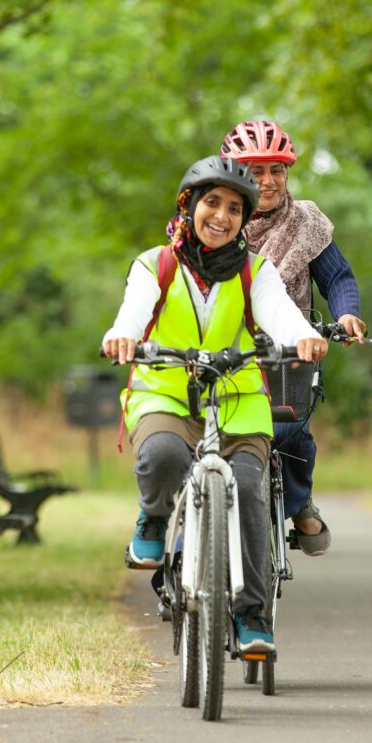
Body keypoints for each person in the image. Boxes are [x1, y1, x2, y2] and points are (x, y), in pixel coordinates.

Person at [102, 156, 328, 654]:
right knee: (163, 456)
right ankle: (154, 519)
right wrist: (122, 336)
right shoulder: (155, 264)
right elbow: (133, 312)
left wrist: (304, 338)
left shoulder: (255, 271)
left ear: (244, 220)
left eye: (233, 209)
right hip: (165, 392)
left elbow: (279, 313)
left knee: (249, 488)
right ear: (188, 206)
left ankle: (251, 616)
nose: (221, 216)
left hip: (237, 398)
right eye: (211, 203)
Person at [219, 120, 366, 557]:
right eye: (256, 170)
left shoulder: (306, 222)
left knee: (291, 425)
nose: (267, 181)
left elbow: (337, 276)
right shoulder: (217, 218)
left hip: (291, 346)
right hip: (225, 347)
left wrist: (347, 314)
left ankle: (299, 501)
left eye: (277, 170)